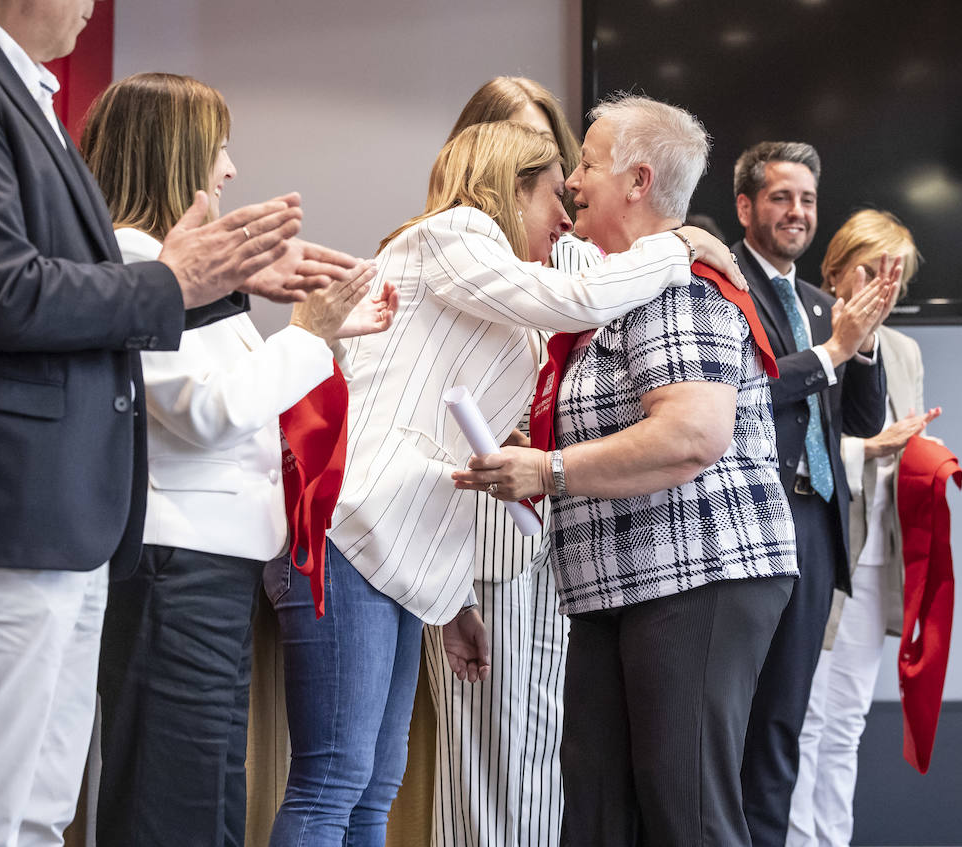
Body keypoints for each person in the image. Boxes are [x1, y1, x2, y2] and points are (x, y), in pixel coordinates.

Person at [0, 1, 358, 843]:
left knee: (39, 816)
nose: (92, 5)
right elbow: (5, 294)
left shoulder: (15, 89)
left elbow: (68, 296)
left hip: (64, 516)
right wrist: (178, 280)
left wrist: (213, 281)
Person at [263, 118, 748, 846]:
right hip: (349, 530)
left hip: (391, 549)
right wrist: (677, 245)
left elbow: (445, 431)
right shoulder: (452, 234)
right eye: (556, 191)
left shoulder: (502, 296)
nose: (565, 213)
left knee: (372, 790)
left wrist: (454, 597)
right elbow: (581, 300)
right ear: (509, 186)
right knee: (335, 781)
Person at [454, 94, 798, 847]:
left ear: (638, 181)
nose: (571, 179)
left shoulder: (678, 284)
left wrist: (547, 468)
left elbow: (690, 435)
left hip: (697, 575)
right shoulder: (623, 287)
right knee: (600, 818)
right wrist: (534, 448)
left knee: (688, 816)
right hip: (623, 586)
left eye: (584, 163)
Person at [78, 71, 392, 847]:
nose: (229, 171)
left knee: (208, 807)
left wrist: (318, 336)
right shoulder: (133, 260)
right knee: (168, 807)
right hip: (172, 567)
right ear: (174, 157)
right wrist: (309, 333)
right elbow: (207, 410)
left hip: (206, 568)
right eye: (218, 150)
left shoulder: (175, 278)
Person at [420, 75, 599, 847]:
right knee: (492, 789)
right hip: (479, 557)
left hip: (555, 552)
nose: (553, 195)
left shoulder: (558, 262)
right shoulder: (445, 252)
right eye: (527, 166)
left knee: (537, 780)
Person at [729, 142, 894, 847]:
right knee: (732, 721)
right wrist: (832, 349)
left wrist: (864, 343)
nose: (797, 212)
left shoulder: (825, 305)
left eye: (807, 200)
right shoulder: (723, 287)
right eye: (780, 197)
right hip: (747, 527)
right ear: (746, 207)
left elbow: (861, 420)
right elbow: (744, 396)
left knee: (782, 724)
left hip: (816, 533)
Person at [788, 210, 939, 847]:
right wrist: (867, 449)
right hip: (826, 551)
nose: (886, 286)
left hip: (881, 557)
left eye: (895, 276)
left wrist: (925, 457)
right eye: (874, 270)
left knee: (847, 724)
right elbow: (796, 449)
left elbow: (902, 443)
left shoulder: (903, 350)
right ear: (838, 270)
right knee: (806, 724)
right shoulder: (807, 331)